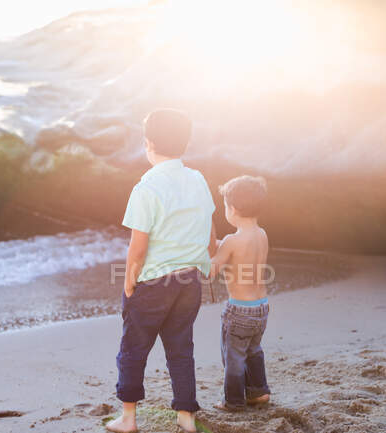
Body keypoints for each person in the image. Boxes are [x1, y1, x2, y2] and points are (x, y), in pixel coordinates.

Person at [106, 109, 216, 433]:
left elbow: (137, 248)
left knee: (133, 349)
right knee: (181, 350)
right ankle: (186, 417)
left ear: (149, 144)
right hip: (189, 280)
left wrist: (129, 283)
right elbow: (210, 233)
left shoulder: (146, 187)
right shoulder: (197, 179)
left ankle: (128, 418)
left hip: (153, 283)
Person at [209, 175, 271, 411]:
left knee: (233, 356)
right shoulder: (261, 234)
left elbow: (212, 270)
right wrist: (218, 246)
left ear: (232, 209)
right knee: (254, 350)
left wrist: (202, 255)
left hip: (239, 310)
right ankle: (258, 391)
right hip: (261, 307)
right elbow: (231, 254)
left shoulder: (232, 241)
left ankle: (233, 400)